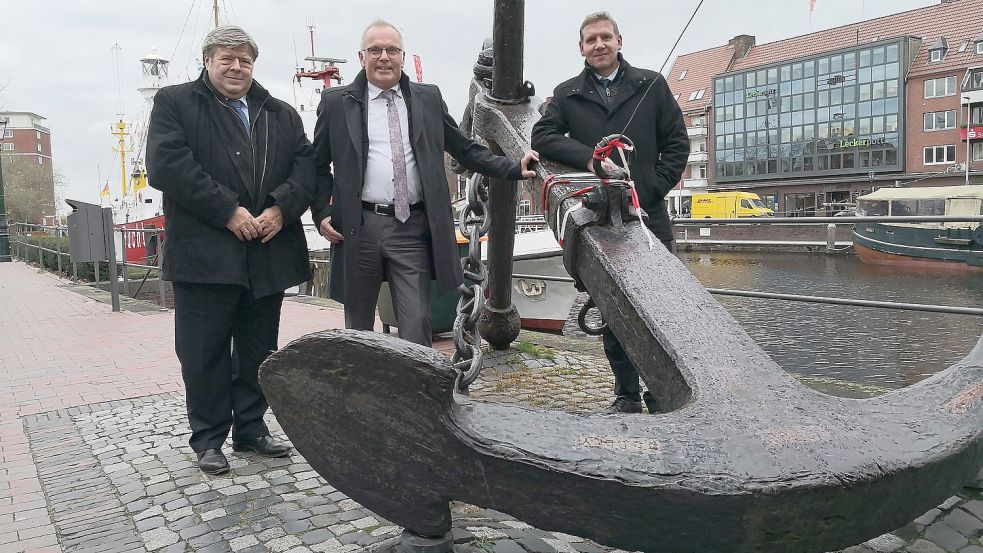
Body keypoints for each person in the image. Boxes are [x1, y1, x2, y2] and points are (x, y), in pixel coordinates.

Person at [147, 26, 314, 474]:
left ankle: (252, 428)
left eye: (244, 59)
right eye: (227, 58)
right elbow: (168, 165)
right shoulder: (176, 103)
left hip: (266, 252)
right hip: (205, 254)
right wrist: (227, 210)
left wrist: (282, 208)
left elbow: (306, 165)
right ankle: (208, 437)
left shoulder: (279, 113)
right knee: (204, 352)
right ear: (207, 61)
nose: (236, 66)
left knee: (260, 347)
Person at [311, 20, 538, 347]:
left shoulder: (427, 98)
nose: (384, 57)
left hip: (411, 227)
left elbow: (464, 148)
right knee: (358, 330)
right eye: (375, 50)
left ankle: (413, 395)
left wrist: (513, 167)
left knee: (417, 323)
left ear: (403, 56)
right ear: (362, 57)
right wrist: (321, 211)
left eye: (391, 50)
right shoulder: (336, 103)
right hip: (359, 227)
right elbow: (317, 164)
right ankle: (361, 395)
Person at [531, 11, 689, 414]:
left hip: (648, 212)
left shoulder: (650, 84)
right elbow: (543, 136)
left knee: (660, 309)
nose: (598, 45)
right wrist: (590, 160)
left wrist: (652, 188)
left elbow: (676, 143)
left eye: (605, 38)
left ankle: (661, 392)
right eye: (591, 40)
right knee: (613, 310)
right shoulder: (568, 93)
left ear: (620, 41)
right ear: (581, 48)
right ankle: (626, 394)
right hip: (600, 215)